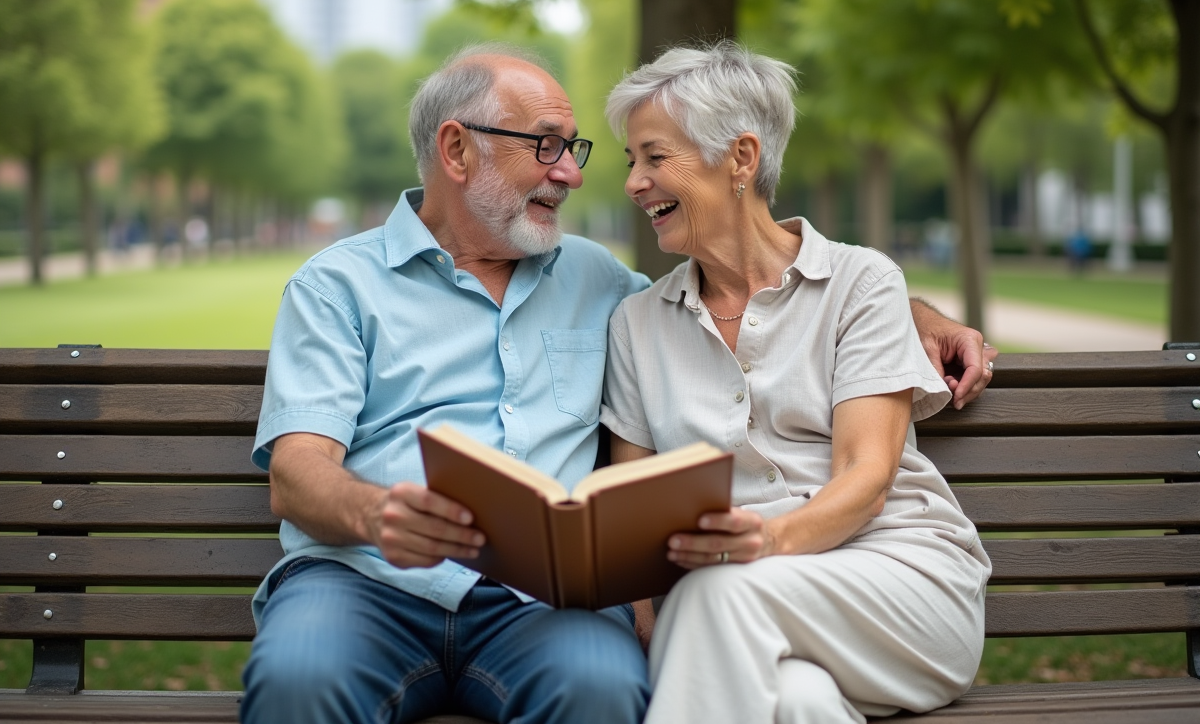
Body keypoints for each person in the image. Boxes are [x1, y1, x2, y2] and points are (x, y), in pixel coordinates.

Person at [241, 43, 995, 724]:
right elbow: (298, 472)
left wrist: (916, 316)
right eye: (546, 147)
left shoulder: (601, 283)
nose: (574, 172)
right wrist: (378, 515)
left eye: (575, 149)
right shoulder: (340, 286)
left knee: (605, 687)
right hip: (365, 581)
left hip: (539, 605)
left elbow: (793, 284)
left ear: (738, 158)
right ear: (457, 151)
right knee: (300, 680)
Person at [601, 41, 994, 724]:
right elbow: (630, 506)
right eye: (632, 161)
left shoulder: (861, 284)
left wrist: (760, 544)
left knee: (714, 594)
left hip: (899, 583)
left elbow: (865, 480)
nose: (634, 182)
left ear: (741, 160)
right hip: (745, 618)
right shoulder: (637, 323)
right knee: (798, 704)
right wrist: (641, 618)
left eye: (656, 157)